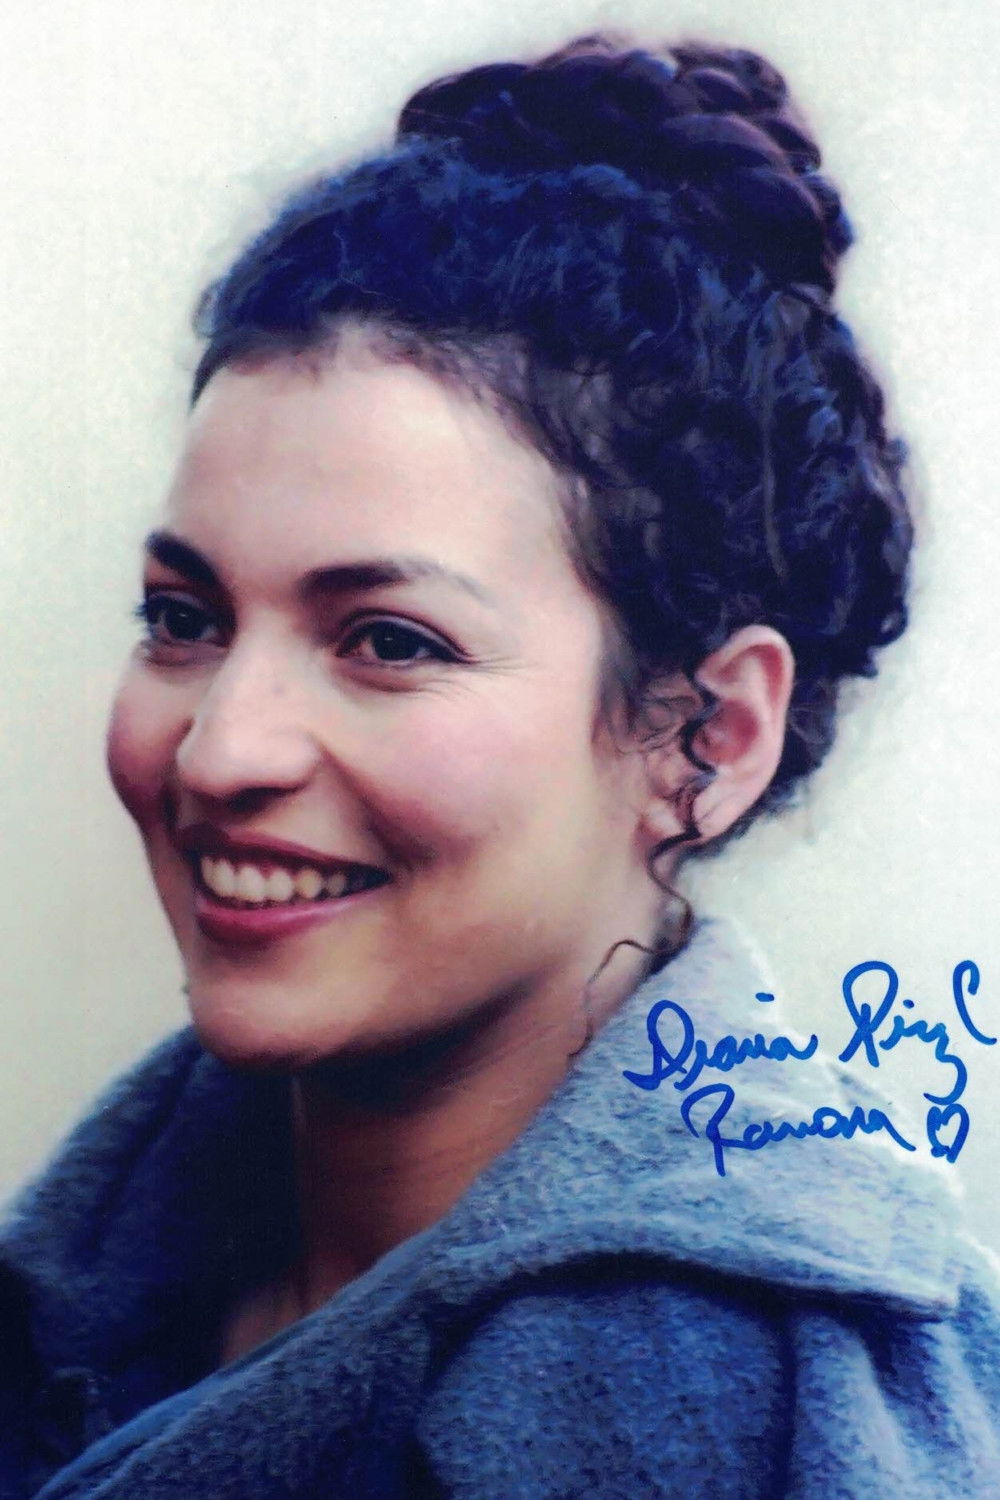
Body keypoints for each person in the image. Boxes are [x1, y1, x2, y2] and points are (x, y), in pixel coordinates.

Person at [2, 33, 999, 1499]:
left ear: (709, 739)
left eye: (389, 640)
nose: (221, 750)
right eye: (185, 619)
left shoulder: (732, 1417)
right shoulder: (94, 1281)